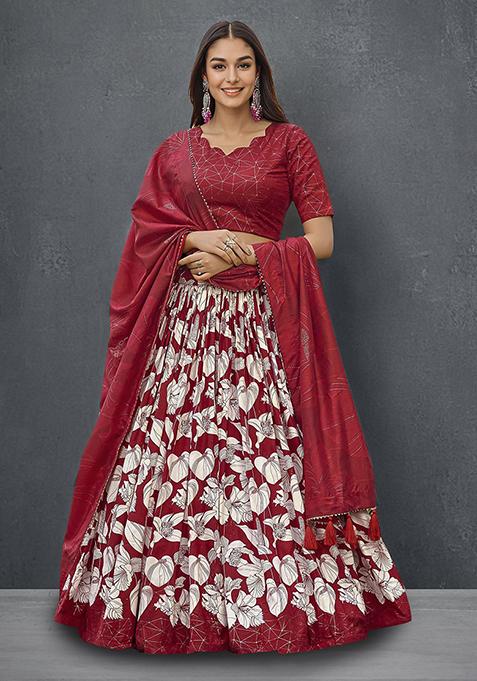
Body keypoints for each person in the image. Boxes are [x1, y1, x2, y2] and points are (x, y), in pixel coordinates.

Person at [53, 20, 412, 654]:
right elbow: (149, 231)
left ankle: (273, 611)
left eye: (244, 64)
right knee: (175, 460)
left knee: (263, 459)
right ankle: (173, 610)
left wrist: (236, 250)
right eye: (219, 66)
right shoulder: (174, 151)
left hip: (263, 325)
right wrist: (199, 238)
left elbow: (322, 240)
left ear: (259, 73)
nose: (232, 77)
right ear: (202, 76)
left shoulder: (290, 143)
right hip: (184, 331)